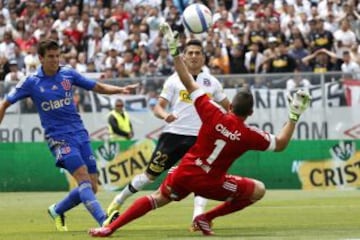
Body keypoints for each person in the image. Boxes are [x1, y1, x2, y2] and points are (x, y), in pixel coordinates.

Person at [88, 23, 311, 237]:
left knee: (156, 197)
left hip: (184, 172)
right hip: (211, 181)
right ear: (250, 113)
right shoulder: (248, 135)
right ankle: (206, 217)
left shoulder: (211, 113)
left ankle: (110, 228)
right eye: (190, 53)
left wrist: (175, 51)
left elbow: (187, 80)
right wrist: (293, 116)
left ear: (230, 105)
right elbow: (281, 143)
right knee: (258, 189)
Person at [0, 39, 138, 231]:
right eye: (50, 57)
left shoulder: (68, 74)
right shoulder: (31, 82)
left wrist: (120, 90)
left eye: (57, 56)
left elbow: (97, 87)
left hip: (80, 133)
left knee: (92, 186)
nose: (55, 60)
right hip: (58, 138)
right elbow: (5, 103)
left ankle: (57, 209)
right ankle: (104, 220)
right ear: (40, 58)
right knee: (82, 179)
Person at [106, 38, 231, 228]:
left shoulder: (212, 82)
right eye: (190, 53)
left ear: (204, 57)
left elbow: (227, 106)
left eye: (198, 53)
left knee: (202, 177)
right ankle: (119, 200)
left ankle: (197, 217)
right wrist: (165, 115)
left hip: (200, 138)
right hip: (173, 135)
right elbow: (158, 107)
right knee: (150, 175)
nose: (194, 56)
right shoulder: (174, 80)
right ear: (184, 57)